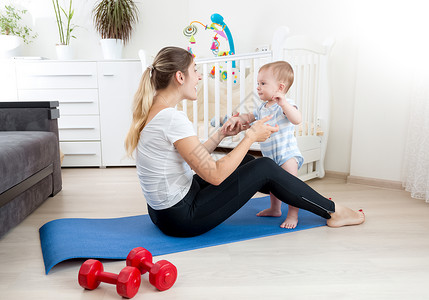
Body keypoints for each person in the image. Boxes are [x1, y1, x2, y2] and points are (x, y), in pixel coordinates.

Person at [125, 46, 365, 238]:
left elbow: (193, 158)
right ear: (179, 77)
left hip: (161, 213)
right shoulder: (172, 118)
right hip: (181, 218)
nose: (199, 77)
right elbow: (216, 176)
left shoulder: (155, 111)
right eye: (195, 70)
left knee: (248, 163)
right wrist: (250, 136)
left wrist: (221, 135)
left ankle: (297, 197)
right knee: (265, 167)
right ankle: (332, 211)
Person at [222, 61, 302, 229]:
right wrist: (237, 119)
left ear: (280, 87)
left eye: (263, 83)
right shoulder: (262, 107)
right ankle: (275, 208)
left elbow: (297, 119)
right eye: (258, 83)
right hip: (270, 156)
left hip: (287, 155)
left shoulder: (286, 105)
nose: (258, 87)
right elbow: (249, 117)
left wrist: (284, 104)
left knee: (291, 186)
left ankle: (293, 214)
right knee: (274, 185)